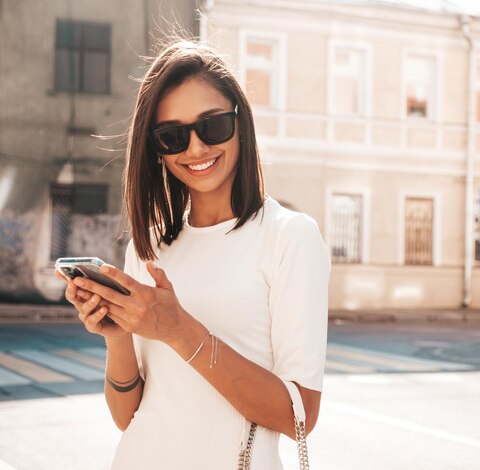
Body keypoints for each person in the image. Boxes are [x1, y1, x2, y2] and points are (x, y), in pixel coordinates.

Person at [56, 39, 330, 469]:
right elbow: (128, 417)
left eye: (214, 125)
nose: (197, 148)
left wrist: (179, 330)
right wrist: (117, 334)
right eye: (173, 136)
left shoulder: (289, 237)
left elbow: (299, 416)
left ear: (241, 122)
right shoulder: (149, 247)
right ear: (157, 152)